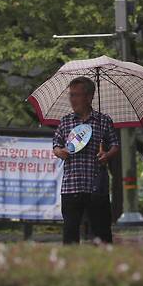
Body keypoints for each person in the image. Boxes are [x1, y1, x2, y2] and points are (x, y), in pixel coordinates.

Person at [52, 76, 120, 244]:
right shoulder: (65, 121)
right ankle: (71, 268)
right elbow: (56, 146)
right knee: (70, 233)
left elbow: (116, 145)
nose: (72, 99)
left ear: (89, 97)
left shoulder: (103, 121)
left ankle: (104, 266)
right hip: (71, 185)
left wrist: (107, 155)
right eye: (71, 95)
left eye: (76, 95)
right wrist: (60, 152)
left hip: (96, 185)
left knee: (102, 233)